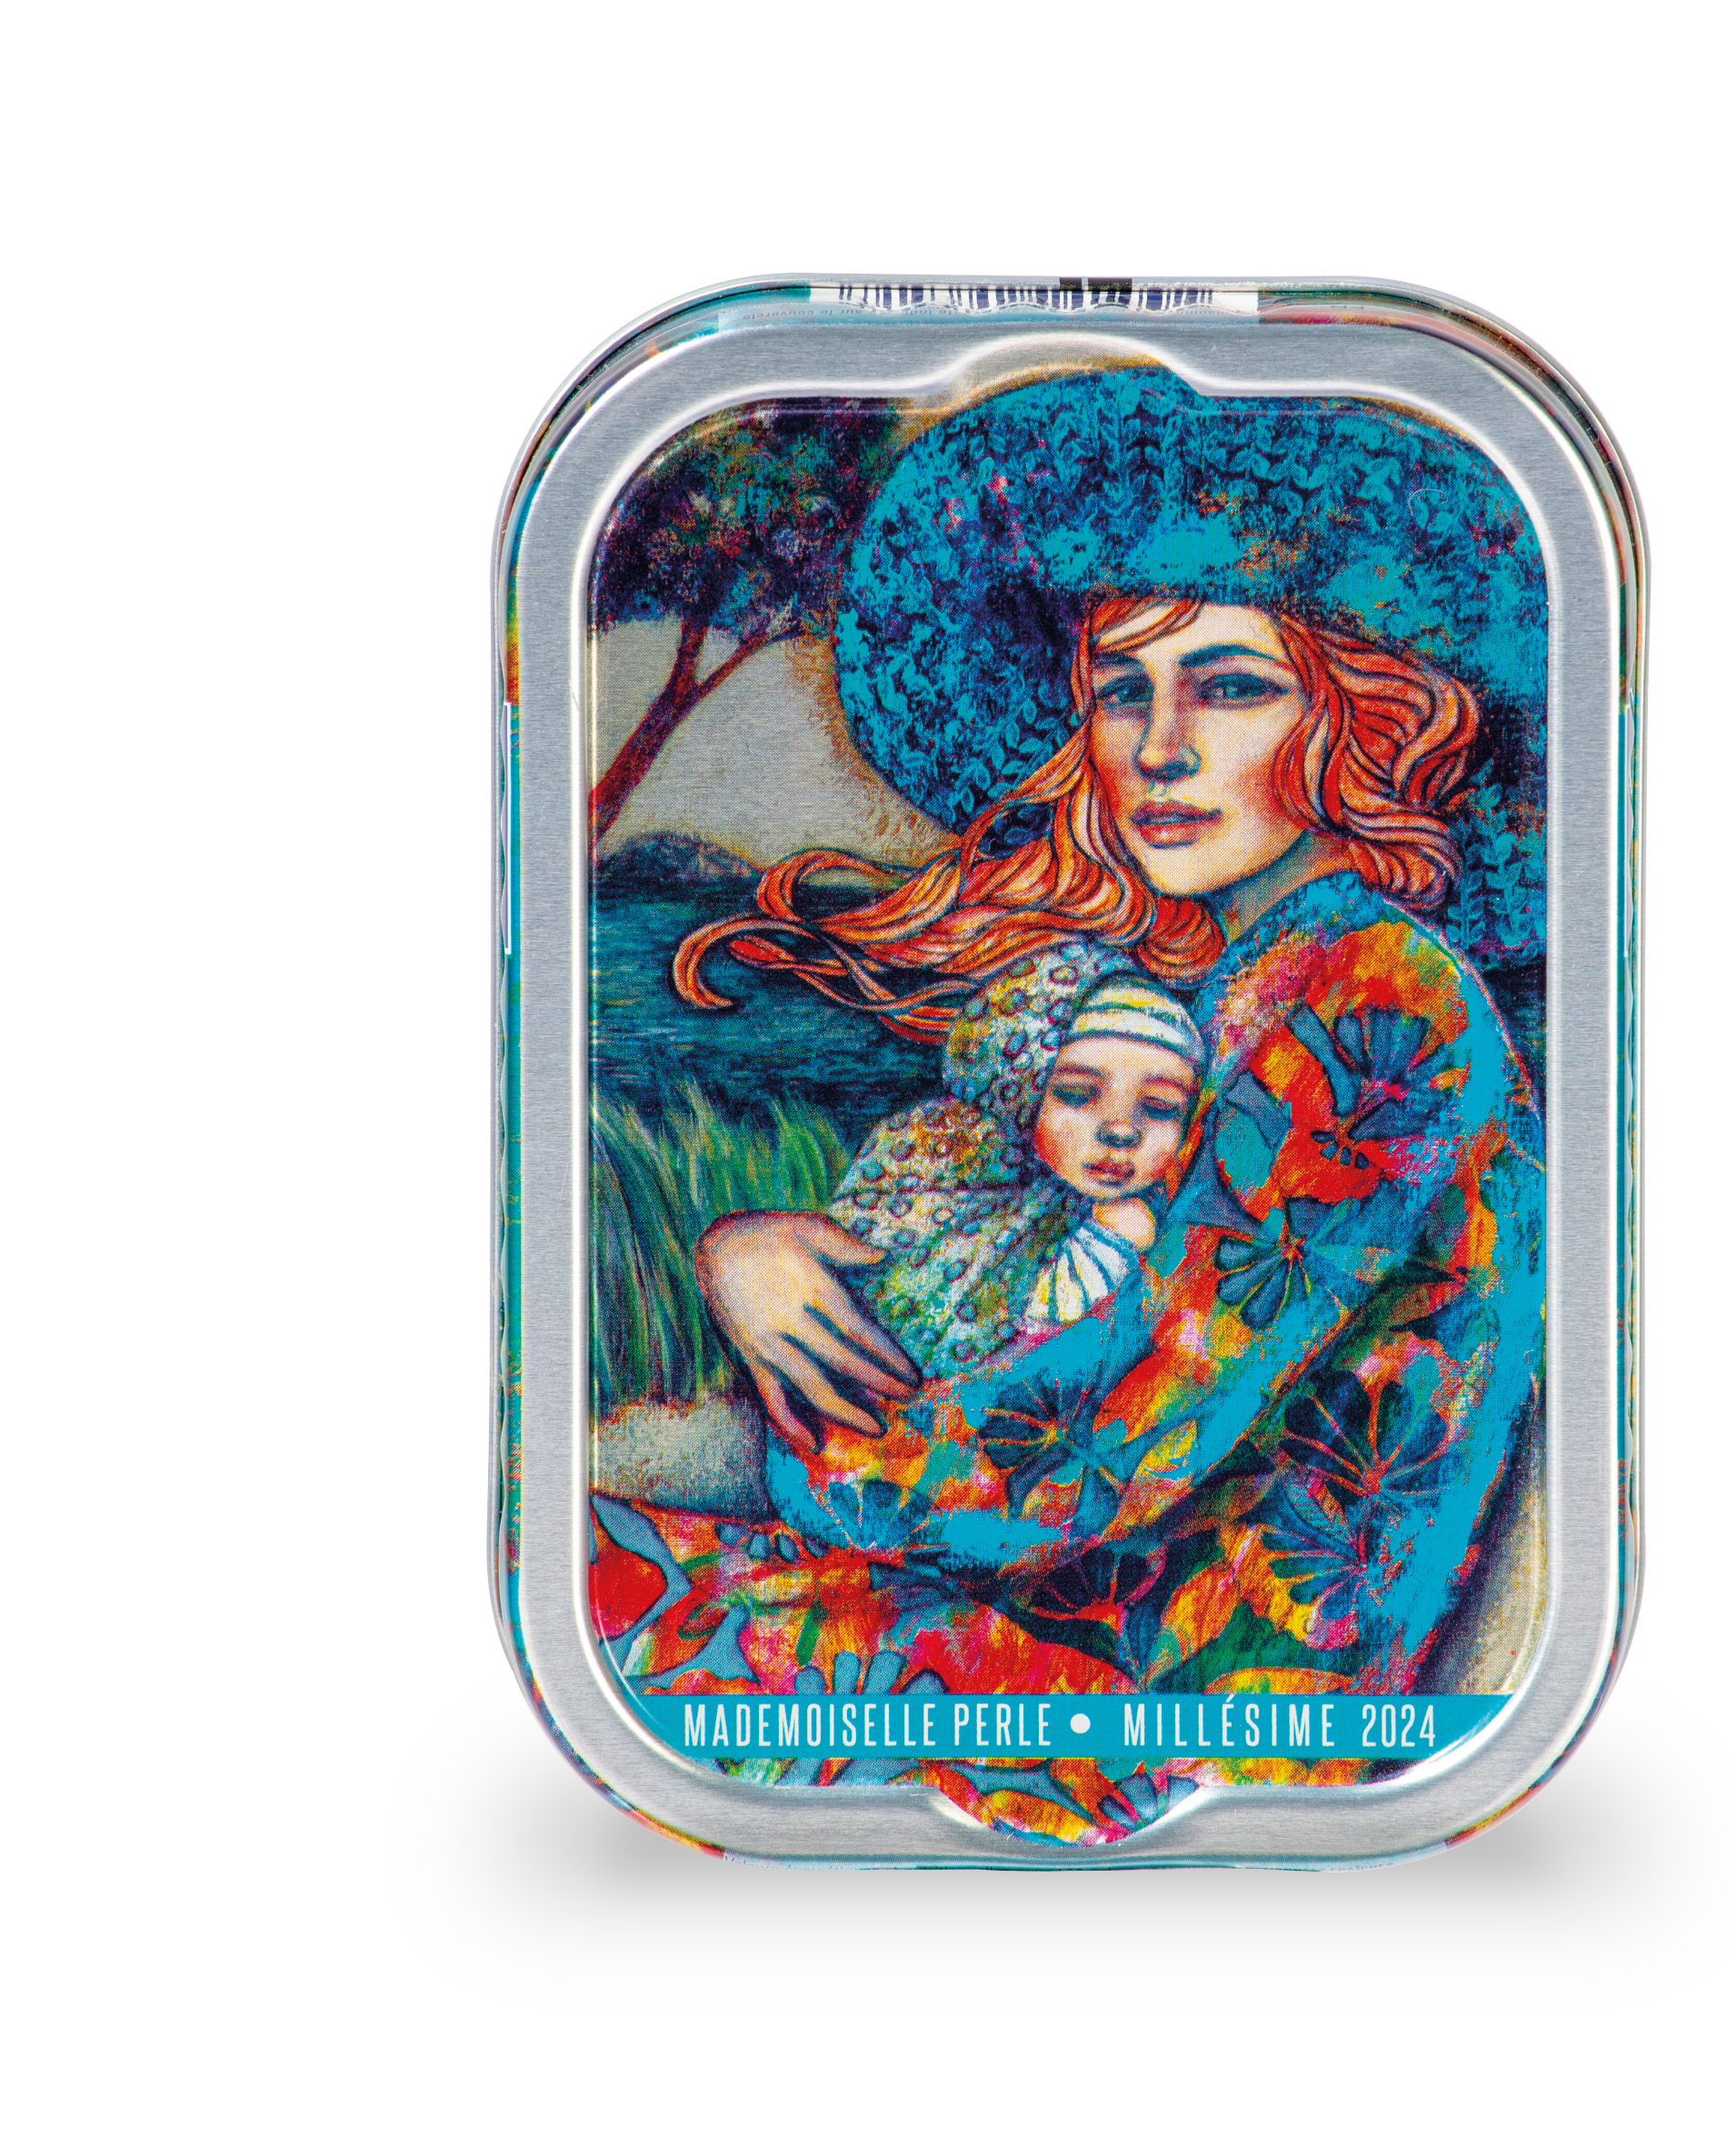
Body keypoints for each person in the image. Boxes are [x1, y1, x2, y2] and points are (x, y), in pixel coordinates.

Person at [602, 370, 1549, 1842]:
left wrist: (779, 1428)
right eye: (1120, 689)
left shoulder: (1375, 994)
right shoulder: (1233, 989)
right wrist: (755, 1257)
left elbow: (1094, 1447)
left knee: (601, 1585)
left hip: (1168, 1726)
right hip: (1069, 1657)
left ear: (1361, 718)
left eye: (1228, 686)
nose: (1158, 743)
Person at [818, 956, 1208, 1378]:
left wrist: (1106, 1242)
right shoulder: (943, 1152)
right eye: (1077, 1094)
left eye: (1160, 1107)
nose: (1121, 1130)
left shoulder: (1165, 1212)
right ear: (1022, 1087)